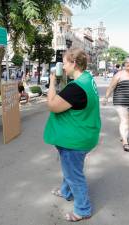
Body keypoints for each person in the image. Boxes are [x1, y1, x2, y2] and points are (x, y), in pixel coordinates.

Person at [44, 47, 101, 222]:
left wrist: (52, 82)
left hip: (74, 140)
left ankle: (83, 209)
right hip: (83, 134)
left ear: (74, 63)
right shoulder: (87, 79)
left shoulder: (76, 87)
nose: (63, 67)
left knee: (74, 175)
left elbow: (52, 105)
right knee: (70, 168)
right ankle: (65, 191)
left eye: (65, 63)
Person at [103, 56, 129, 152]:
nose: (127, 64)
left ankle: (124, 134)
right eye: (126, 62)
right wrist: (106, 98)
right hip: (121, 101)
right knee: (124, 120)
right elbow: (111, 87)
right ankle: (125, 142)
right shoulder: (119, 74)